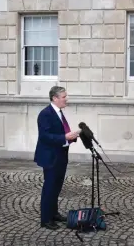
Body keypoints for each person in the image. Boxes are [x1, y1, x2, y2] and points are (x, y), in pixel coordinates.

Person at [34, 86, 80, 230]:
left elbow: (61, 132)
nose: (66, 99)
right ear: (55, 98)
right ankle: (46, 219)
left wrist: (70, 137)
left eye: (66, 96)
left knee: (57, 187)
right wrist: (65, 137)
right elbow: (45, 136)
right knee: (49, 187)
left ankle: (53, 214)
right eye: (63, 97)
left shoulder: (59, 112)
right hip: (50, 156)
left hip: (60, 156)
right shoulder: (45, 114)